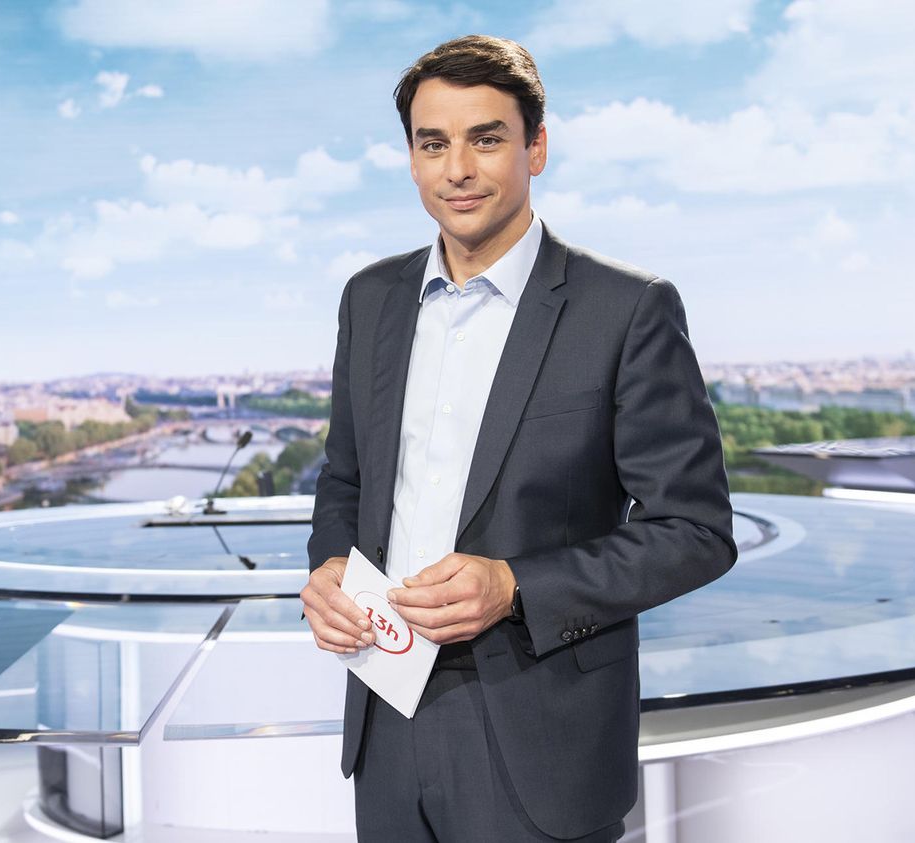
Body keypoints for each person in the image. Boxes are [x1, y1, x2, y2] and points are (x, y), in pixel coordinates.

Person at [303, 35, 737, 842]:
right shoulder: (369, 300)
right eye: (433, 144)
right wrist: (328, 566)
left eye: (486, 138)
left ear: (536, 146)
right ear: (411, 159)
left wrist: (515, 586)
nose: (457, 169)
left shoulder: (626, 310)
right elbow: (346, 481)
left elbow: (697, 532)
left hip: (543, 733)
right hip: (385, 718)